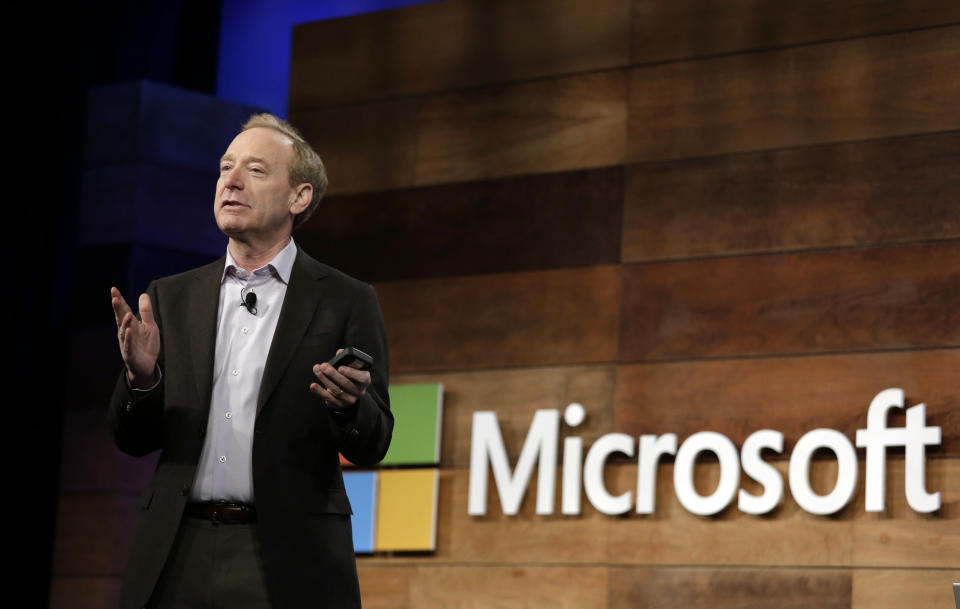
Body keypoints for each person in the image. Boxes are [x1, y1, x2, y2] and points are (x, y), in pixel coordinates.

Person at [108, 113, 393, 609]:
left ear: (298, 197)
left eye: (256, 170)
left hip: (285, 559)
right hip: (177, 549)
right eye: (225, 168)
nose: (231, 181)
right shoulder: (170, 297)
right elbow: (130, 440)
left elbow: (376, 440)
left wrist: (349, 407)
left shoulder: (344, 300)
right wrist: (144, 380)